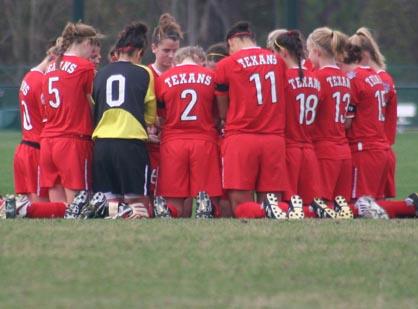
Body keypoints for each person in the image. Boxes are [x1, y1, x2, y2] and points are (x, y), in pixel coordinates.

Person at [214, 21, 290, 219]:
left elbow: (222, 110)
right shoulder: (278, 61)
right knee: (272, 205)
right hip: (274, 139)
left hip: (241, 137)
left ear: (232, 41)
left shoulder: (226, 64)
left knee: (242, 206)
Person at [86, 21, 156, 219]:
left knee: (109, 203)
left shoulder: (99, 75)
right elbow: (150, 115)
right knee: (137, 203)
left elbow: (95, 107)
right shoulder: (145, 72)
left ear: (116, 52)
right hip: (130, 144)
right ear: (140, 52)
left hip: (102, 144)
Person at [154, 46, 222, 218]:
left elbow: (161, 116)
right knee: (207, 200)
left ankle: (170, 213)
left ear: (177, 61)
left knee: (174, 199)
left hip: (173, 142)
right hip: (204, 140)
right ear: (201, 60)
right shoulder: (211, 76)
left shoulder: (164, 78)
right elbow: (218, 112)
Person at [40, 22, 102, 210]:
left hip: (48, 141)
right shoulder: (84, 67)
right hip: (72, 140)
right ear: (85, 43)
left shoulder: (51, 66)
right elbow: (94, 103)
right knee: (78, 207)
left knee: (58, 208)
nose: (93, 52)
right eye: (92, 46)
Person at [272, 30, 326, 219]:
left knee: (285, 209)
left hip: (288, 149)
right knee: (308, 209)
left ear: (284, 52)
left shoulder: (283, 79)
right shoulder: (314, 79)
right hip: (308, 151)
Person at [306, 27, 353, 218]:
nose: (308, 57)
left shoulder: (318, 78)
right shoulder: (345, 79)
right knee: (340, 209)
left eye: (309, 51)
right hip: (343, 151)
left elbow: (308, 116)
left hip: (324, 150)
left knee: (321, 208)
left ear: (316, 51)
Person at [147, 13, 183, 200]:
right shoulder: (146, 74)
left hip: (176, 143)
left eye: (175, 51)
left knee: (178, 194)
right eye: (166, 51)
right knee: (152, 193)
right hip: (152, 146)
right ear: (154, 48)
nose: (171, 55)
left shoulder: (183, 75)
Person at [14, 46, 56, 204]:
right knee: (41, 208)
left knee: (27, 207)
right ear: (52, 56)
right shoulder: (40, 81)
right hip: (35, 150)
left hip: (24, 148)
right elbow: (48, 120)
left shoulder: (28, 77)